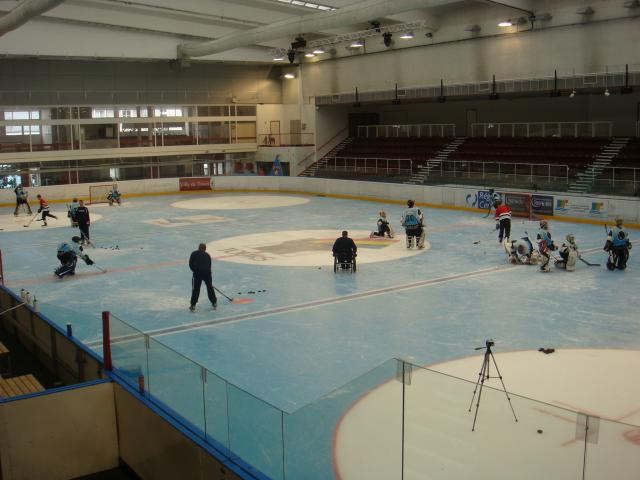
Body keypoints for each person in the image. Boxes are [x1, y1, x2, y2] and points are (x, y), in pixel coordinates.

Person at [189, 243, 217, 312]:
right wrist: (209, 277)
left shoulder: (194, 253)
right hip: (207, 273)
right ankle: (214, 302)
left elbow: (190, 264)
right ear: (205, 249)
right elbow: (209, 266)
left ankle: (193, 305)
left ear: (199, 248)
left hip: (198, 272)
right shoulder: (207, 255)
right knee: (210, 287)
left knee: (196, 289)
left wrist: (194, 271)